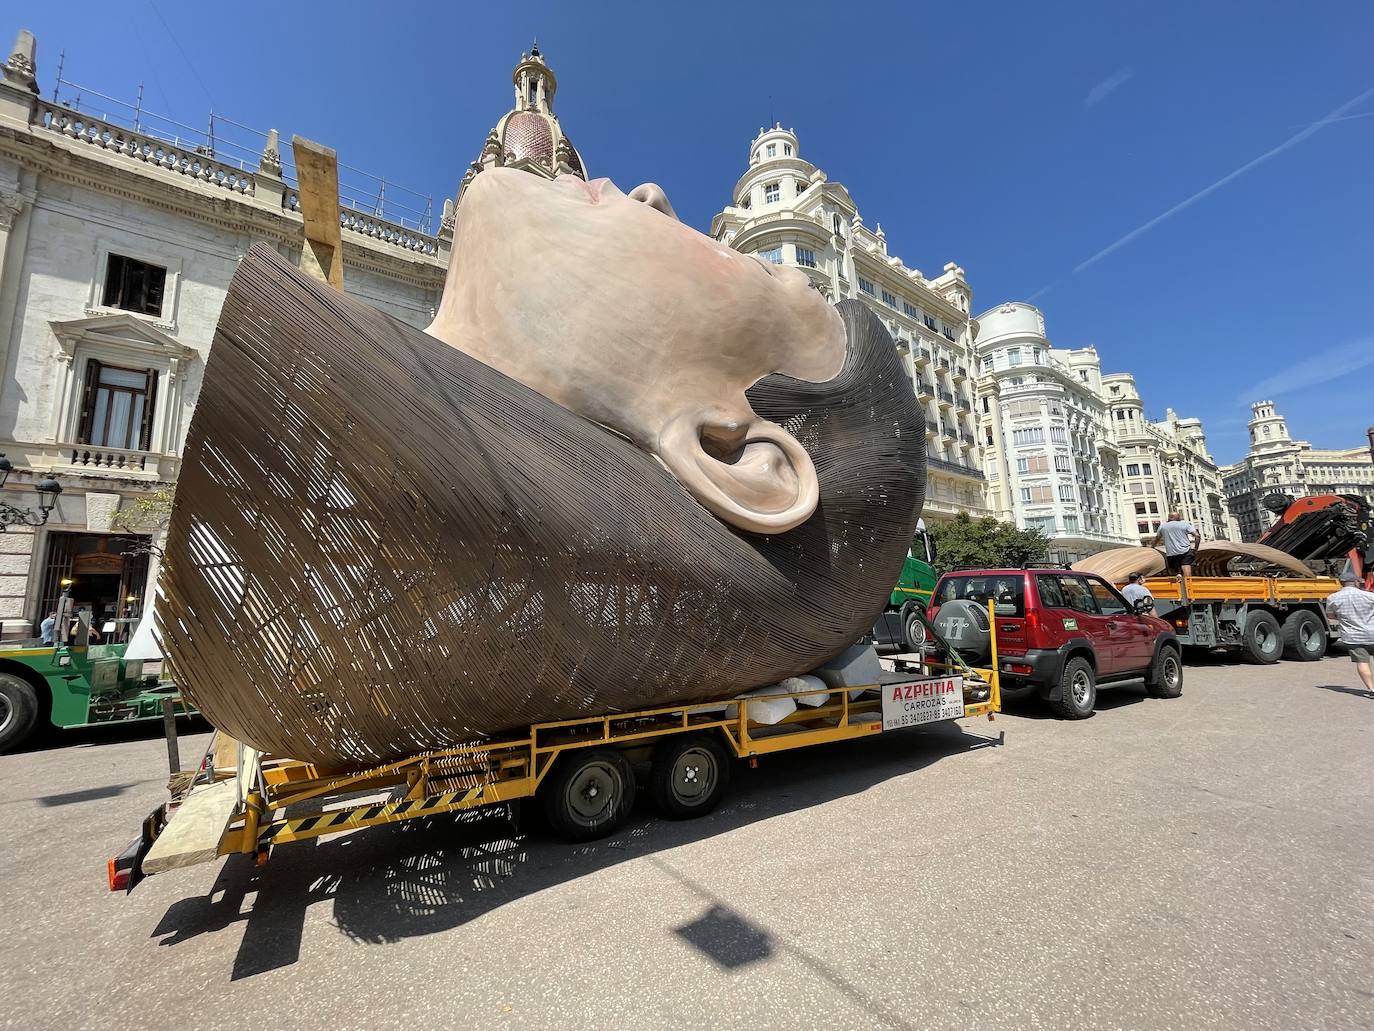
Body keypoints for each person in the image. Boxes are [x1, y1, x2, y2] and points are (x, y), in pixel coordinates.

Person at [1326, 570, 1374, 695]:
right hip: (1372, 633)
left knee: (1362, 662)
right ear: (1356, 582)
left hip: (1353, 637)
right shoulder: (1369, 596)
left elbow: (1331, 616)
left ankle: (1372, 689)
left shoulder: (1332, 598)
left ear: (1341, 583)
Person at [1154, 511, 1200, 577]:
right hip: (1185, 551)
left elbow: (1157, 538)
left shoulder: (1162, 527)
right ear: (1177, 517)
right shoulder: (1185, 525)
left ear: (1169, 518)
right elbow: (1197, 536)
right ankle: (1188, 584)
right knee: (1186, 567)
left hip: (1171, 553)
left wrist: (1153, 546)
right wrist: (1196, 548)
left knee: (1174, 572)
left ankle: (1178, 581)